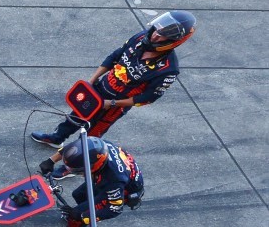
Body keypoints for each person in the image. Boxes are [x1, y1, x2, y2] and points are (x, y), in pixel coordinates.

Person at [31, 11, 196, 146]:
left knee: (90, 138)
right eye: (156, 30)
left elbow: (147, 98)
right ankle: (57, 138)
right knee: (76, 115)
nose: (155, 36)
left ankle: (73, 166)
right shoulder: (141, 37)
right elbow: (115, 56)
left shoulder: (168, 70)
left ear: (174, 41)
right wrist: (92, 80)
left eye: (162, 35)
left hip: (114, 106)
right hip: (100, 89)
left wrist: (111, 104)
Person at [40, 136, 144, 227]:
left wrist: (83, 216)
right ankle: (79, 219)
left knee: (79, 214)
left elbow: (115, 209)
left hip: (123, 190)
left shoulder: (114, 180)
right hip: (108, 177)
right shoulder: (94, 145)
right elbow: (69, 149)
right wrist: (50, 161)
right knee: (78, 194)